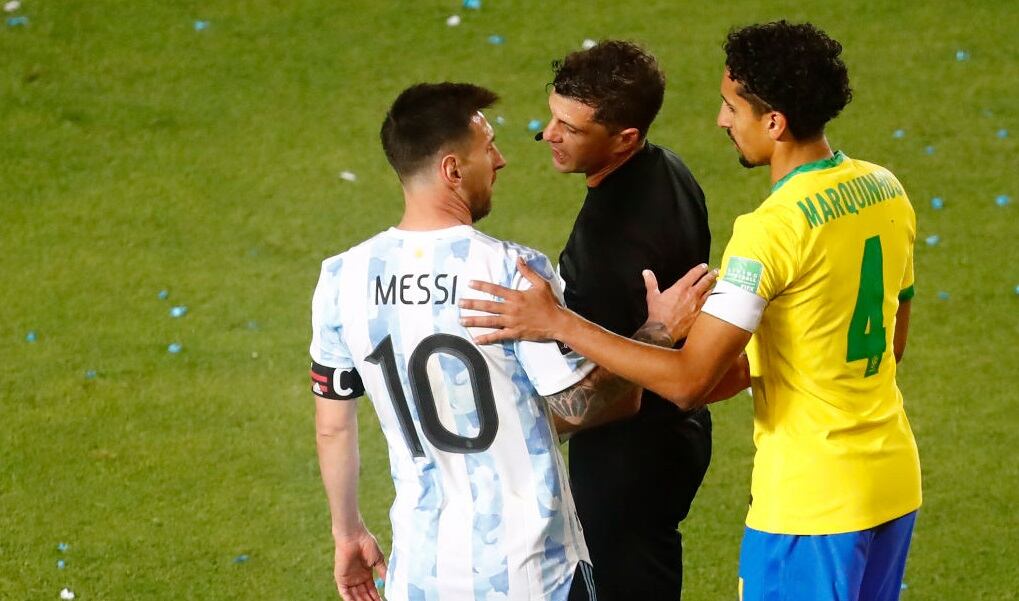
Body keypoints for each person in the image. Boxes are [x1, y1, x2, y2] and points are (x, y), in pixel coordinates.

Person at [462, 21, 921, 601]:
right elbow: (892, 340)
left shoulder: (771, 232)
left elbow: (686, 383)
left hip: (812, 502)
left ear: (774, 122)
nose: (721, 121)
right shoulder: (885, 188)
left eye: (732, 107)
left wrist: (556, 321)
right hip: (892, 480)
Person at [309, 82, 714, 601]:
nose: (500, 160)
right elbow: (584, 405)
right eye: (488, 147)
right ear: (453, 170)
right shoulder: (511, 272)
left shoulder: (342, 277)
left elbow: (333, 427)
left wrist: (347, 536)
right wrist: (656, 332)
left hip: (420, 575)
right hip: (531, 573)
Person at [536, 40, 714, 600]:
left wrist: (519, 423)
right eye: (552, 116)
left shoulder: (610, 244)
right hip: (677, 436)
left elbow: (615, 397)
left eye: (570, 127)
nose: (548, 134)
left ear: (624, 138)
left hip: (627, 460)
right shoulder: (671, 170)